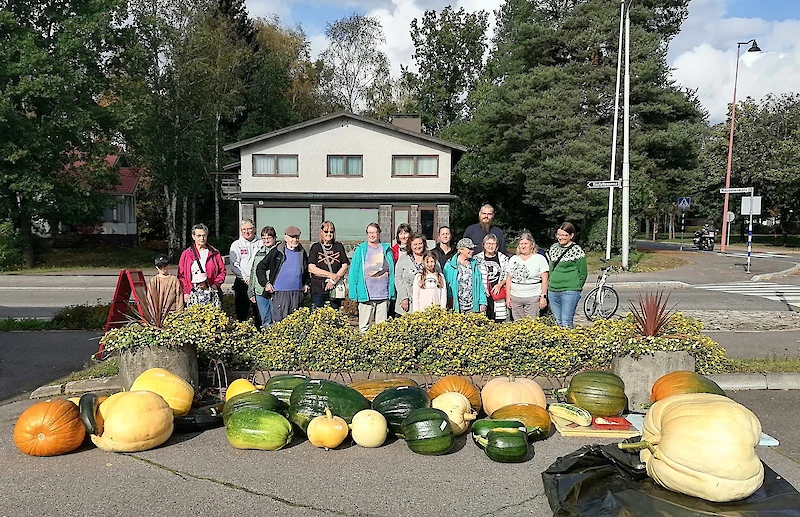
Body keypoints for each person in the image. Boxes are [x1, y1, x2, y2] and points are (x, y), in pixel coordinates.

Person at [255, 225, 310, 323]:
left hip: (297, 293)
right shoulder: (277, 251)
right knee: (280, 323)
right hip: (280, 293)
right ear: (285, 237)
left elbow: (305, 270)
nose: (295, 239)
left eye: (297, 237)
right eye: (292, 237)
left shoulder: (302, 252)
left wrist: (306, 283)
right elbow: (260, 267)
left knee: (297, 323)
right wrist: (266, 283)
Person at [349, 223, 396, 332]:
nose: (372, 235)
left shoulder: (386, 249)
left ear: (379, 234)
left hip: (383, 294)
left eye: (375, 232)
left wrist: (392, 291)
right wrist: (353, 293)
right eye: (370, 232)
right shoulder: (361, 249)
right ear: (367, 234)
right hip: (366, 294)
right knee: (364, 327)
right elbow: (354, 272)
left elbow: (392, 271)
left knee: (382, 327)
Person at [547, 222, 588, 328]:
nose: (561, 238)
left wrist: (577, 287)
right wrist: (550, 283)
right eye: (559, 235)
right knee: (558, 321)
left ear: (571, 236)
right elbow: (551, 268)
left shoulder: (577, 251)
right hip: (553, 290)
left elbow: (583, 272)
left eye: (564, 235)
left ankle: (568, 343)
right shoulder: (554, 248)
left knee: (566, 321)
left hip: (570, 291)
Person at [178, 223, 226, 306]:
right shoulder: (186, 254)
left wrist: (216, 285)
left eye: (204, 235)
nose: (202, 238)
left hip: (211, 291)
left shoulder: (214, 253)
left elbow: (222, 271)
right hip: (192, 293)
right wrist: (186, 292)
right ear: (193, 237)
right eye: (199, 236)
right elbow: (181, 275)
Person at [505, 231, 549, 320]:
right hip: (515, 297)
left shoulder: (539, 259)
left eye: (526, 243)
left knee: (531, 325)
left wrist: (543, 297)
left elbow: (545, 280)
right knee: (517, 325)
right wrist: (508, 297)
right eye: (521, 244)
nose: (523, 246)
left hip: (533, 297)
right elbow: (509, 279)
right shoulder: (513, 259)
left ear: (531, 245)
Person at [308, 221, 350, 310]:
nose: (329, 234)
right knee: (318, 314)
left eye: (331, 231)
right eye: (326, 231)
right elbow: (311, 268)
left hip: (335, 288)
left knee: (334, 314)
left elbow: (344, 265)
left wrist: (333, 280)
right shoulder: (315, 247)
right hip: (318, 288)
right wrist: (330, 275)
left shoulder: (339, 246)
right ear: (321, 232)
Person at [229, 219, 263, 325]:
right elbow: (234, 265)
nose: (246, 232)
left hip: (258, 282)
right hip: (242, 283)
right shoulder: (236, 245)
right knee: (241, 312)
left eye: (249, 229)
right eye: (243, 229)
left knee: (259, 312)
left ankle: (260, 334)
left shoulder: (261, 243)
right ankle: (242, 333)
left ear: (254, 229)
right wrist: (245, 277)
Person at [443, 238, 486, 314]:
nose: (472, 251)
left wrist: (482, 302)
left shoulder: (475, 264)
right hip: (456, 307)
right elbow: (446, 285)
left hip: (473, 307)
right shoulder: (450, 265)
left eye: (472, 249)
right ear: (461, 250)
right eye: (469, 248)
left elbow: (480, 285)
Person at [475, 234, 510, 322]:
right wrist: (484, 289)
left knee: (499, 319)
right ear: (483, 244)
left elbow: (508, 274)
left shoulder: (503, 258)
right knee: (483, 319)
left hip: (498, 292)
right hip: (483, 293)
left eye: (493, 244)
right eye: (488, 243)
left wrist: (500, 285)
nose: (491, 246)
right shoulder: (477, 259)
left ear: (497, 245)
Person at [248, 226, 277, 327]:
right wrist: (251, 291)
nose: (266, 240)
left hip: (275, 291)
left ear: (274, 238)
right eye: (263, 238)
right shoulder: (258, 253)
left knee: (276, 319)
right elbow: (253, 272)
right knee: (265, 320)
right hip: (260, 291)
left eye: (268, 238)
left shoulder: (280, 252)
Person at [394, 233, 428, 315]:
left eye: (420, 243)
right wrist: (403, 297)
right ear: (410, 245)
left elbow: (438, 275)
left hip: (425, 300)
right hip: (408, 302)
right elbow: (398, 278)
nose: (418, 246)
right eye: (415, 244)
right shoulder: (403, 259)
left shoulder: (430, 257)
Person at [147, 254, 184, 320]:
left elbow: (179, 297)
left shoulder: (174, 280)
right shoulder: (154, 281)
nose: (163, 268)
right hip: (158, 314)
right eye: (160, 266)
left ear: (168, 265)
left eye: (165, 265)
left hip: (172, 314)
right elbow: (150, 298)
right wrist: (152, 314)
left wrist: (179, 314)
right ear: (157, 267)